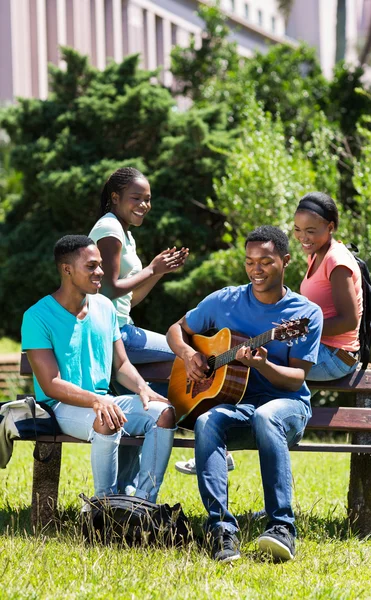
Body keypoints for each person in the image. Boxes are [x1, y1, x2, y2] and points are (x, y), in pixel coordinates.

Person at [166, 226, 323, 562]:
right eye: (250, 261)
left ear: (286, 261)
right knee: (207, 421)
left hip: (288, 408)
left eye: (265, 261)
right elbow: (176, 329)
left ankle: (281, 527)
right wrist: (188, 354)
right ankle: (221, 529)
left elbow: (296, 380)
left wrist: (263, 365)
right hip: (236, 405)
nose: (256, 269)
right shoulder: (225, 300)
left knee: (267, 416)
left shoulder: (304, 314)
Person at [21, 235, 176, 502]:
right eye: (91, 266)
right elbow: (51, 384)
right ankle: (103, 506)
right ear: (67, 269)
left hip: (106, 401)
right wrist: (97, 400)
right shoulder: (37, 316)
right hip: (60, 406)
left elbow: (122, 364)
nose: (100, 272)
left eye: (100, 265)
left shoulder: (105, 307)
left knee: (164, 414)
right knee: (106, 419)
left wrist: (143, 389)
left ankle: (141, 505)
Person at [89, 167, 188, 381]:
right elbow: (107, 290)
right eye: (136, 198)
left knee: (178, 370)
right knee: (186, 355)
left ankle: (127, 382)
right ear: (115, 197)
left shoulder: (125, 234)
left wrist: (159, 272)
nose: (144, 205)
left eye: (148, 199)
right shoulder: (109, 230)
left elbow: (128, 300)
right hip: (113, 333)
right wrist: (151, 269)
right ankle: (121, 378)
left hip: (122, 327)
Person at [294, 192, 362, 381]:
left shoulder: (336, 260)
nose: (302, 237)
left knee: (269, 368)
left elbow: (349, 321)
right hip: (319, 346)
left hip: (337, 356)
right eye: (297, 229)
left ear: (330, 227)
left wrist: (303, 329)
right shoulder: (315, 254)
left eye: (310, 230)